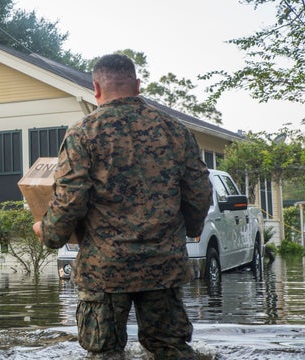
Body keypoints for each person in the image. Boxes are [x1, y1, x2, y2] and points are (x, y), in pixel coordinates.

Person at [32, 54, 211, 359]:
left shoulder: (83, 133)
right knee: (170, 350)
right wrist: (191, 229)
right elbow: (199, 191)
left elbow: (71, 198)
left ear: (96, 89)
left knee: (104, 353)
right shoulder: (175, 130)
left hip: (105, 270)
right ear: (138, 85)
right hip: (163, 265)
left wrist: (47, 232)